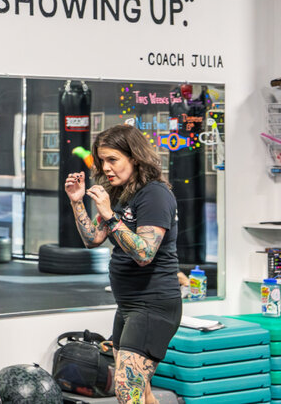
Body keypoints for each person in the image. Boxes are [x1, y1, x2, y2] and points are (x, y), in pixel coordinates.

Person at [66, 125, 180, 404]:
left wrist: (109, 215)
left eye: (113, 159)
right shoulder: (120, 193)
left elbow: (144, 254)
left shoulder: (155, 195)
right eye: (102, 160)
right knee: (142, 392)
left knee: (127, 391)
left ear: (135, 158)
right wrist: (77, 202)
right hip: (128, 305)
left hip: (153, 305)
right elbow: (93, 239)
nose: (106, 167)